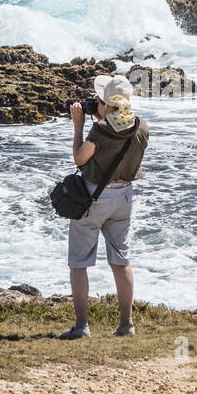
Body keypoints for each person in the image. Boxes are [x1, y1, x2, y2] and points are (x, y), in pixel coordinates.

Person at [59, 73, 149, 339]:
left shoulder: (100, 130)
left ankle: (81, 326)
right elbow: (121, 146)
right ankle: (126, 324)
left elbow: (79, 159)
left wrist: (79, 126)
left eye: (98, 100)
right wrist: (101, 116)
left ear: (106, 105)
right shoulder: (141, 126)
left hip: (95, 197)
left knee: (79, 262)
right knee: (120, 261)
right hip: (124, 197)